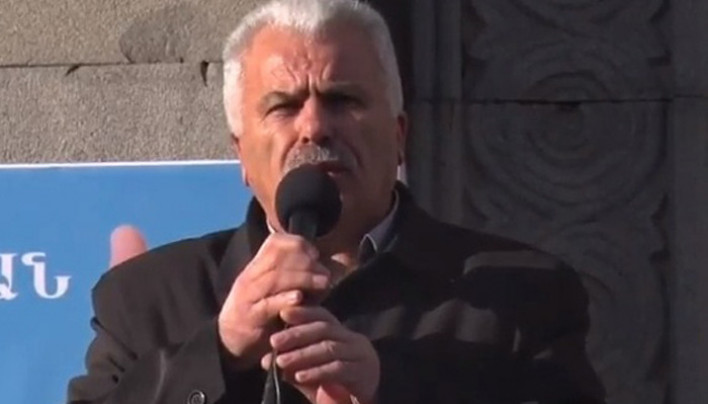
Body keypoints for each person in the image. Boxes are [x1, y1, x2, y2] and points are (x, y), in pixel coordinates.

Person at [67, 0, 605, 403]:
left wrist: (387, 386)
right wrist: (220, 352)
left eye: (343, 100)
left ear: (399, 136)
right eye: (283, 106)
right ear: (241, 155)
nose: (314, 127)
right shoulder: (146, 300)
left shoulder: (522, 296)